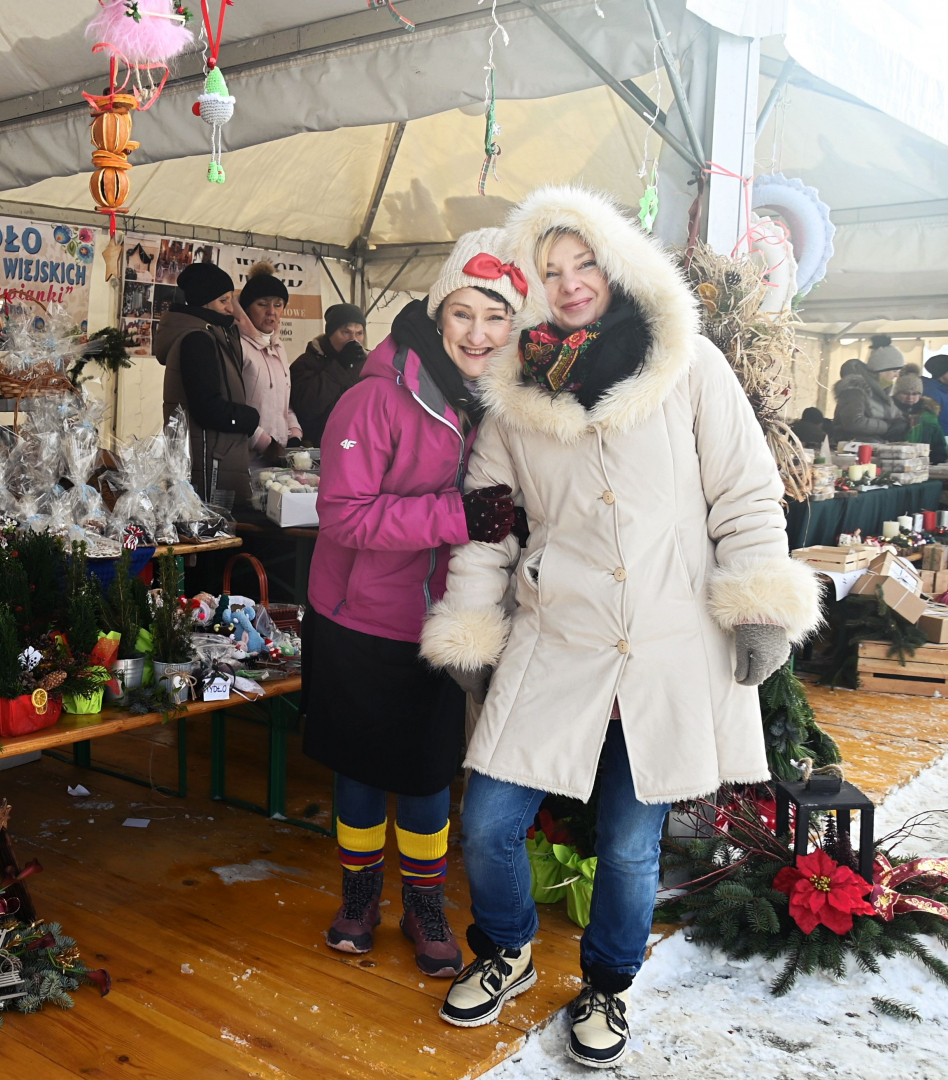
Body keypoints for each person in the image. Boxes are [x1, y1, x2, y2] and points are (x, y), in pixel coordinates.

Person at [420, 188, 821, 1068]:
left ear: (617, 263)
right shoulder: (513, 397)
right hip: (557, 641)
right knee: (487, 822)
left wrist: (760, 605)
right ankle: (508, 949)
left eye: (584, 263)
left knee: (632, 849)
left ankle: (607, 983)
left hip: (666, 646)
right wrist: (472, 625)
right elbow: (489, 530)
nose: (570, 283)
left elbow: (745, 492)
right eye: (550, 270)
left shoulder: (689, 365)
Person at [303, 228, 526, 977]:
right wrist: (456, 517)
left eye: (495, 317)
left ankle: (425, 903)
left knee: (429, 778)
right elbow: (344, 516)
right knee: (362, 771)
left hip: (445, 621)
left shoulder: (502, 404)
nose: (478, 334)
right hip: (360, 618)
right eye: (463, 313)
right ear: (437, 314)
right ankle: (360, 895)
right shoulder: (376, 396)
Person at [156, 261, 259, 509]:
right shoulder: (198, 340)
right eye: (223, 300)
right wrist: (249, 418)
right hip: (209, 463)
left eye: (231, 299)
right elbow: (207, 407)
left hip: (215, 457)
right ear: (203, 303)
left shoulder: (210, 334)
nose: (230, 308)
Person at [234, 263, 303, 459]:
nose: (271, 311)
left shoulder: (279, 348)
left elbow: (283, 403)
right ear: (247, 308)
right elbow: (233, 406)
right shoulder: (237, 346)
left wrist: (294, 433)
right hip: (245, 457)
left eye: (278, 305)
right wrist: (263, 442)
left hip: (277, 456)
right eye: (262, 304)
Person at [290, 303, 369, 446]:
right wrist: (340, 366)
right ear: (330, 333)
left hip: (358, 446)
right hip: (318, 447)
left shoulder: (368, 365)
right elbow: (306, 407)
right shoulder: (306, 363)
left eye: (359, 333)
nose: (353, 339)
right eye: (346, 332)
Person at [831, 357, 907, 443]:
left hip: (869, 444)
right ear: (881, 370)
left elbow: (893, 414)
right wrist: (887, 426)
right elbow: (854, 422)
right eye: (894, 371)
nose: (896, 375)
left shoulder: (881, 391)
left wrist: (901, 422)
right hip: (852, 445)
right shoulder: (854, 389)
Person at [892, 369, 948, 464]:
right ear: (896, 393)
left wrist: (937, 461)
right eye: (905, 393)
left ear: (920, 395)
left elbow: (938, 445)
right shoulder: (888, 412)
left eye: (915, 394)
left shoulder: (928, 417)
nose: (910, 398)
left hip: (922, 465)